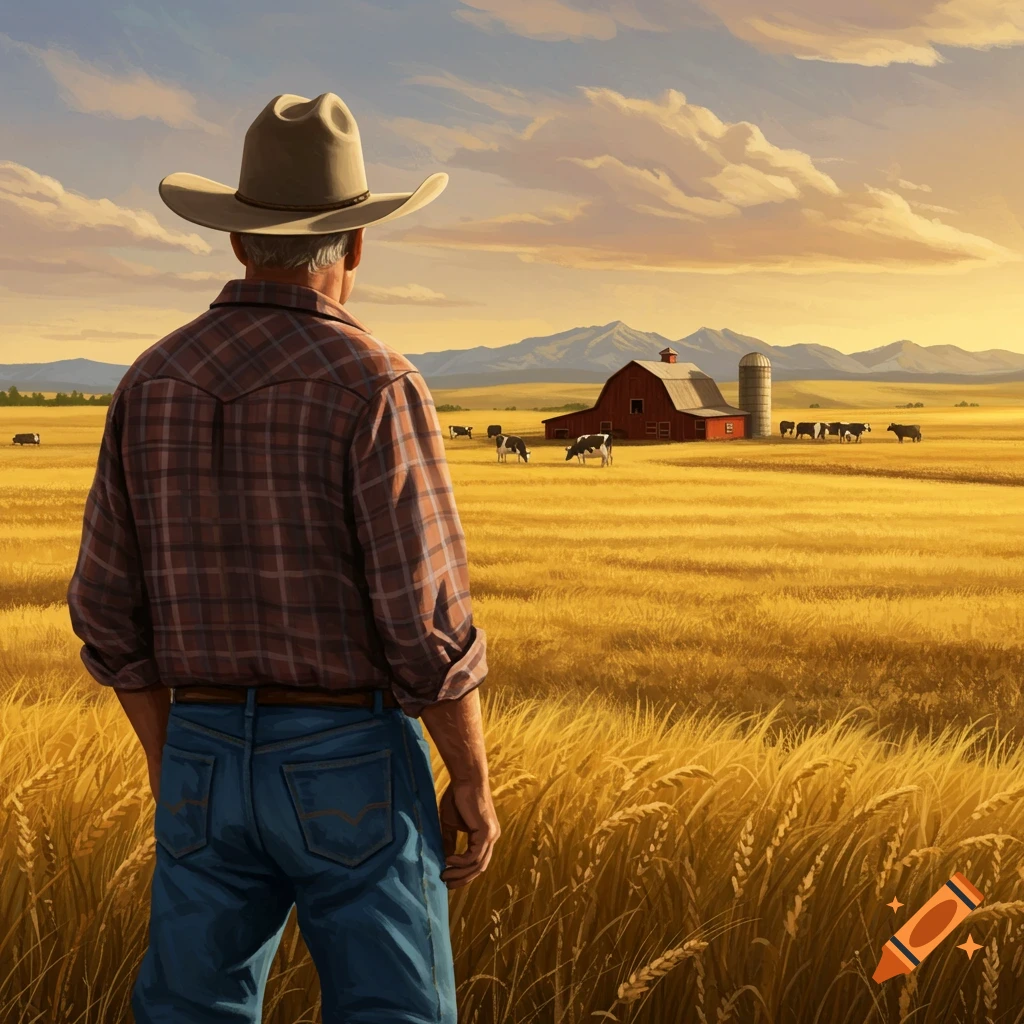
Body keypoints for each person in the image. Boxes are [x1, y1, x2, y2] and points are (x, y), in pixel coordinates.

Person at [66, 91, 500, 1024]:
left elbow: (104, 609)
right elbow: (423, 620)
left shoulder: (150, 379)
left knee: (189, 1011)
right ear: (353, 246)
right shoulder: (374, 381)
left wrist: (173, 754)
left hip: (201, 750)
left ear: (236, 240)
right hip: (351, 755)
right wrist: (468, 775)